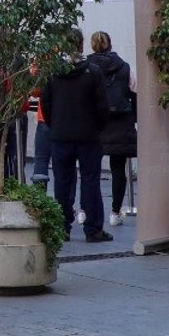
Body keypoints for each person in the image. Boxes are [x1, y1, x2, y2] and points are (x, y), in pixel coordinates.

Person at [40, 28, 112, 244]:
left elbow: (46, 103)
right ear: (81, 45)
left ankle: (63, 227)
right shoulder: (93, 71)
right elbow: (102, 106)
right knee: (90, 181)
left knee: (62, 182)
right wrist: (98, 127)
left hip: (61, 135)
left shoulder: (52, 73)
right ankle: (93, 229)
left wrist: (55, 125)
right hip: (88, 135)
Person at [89, 31, 137, 225]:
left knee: (90, 170)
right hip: (121, 122)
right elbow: (135, 93)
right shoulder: (124, 67)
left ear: (92, 46)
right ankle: (115, 213)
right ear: (110, 44)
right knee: (118, 170)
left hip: (95, 124)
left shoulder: (88, 68)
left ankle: (87, 210)